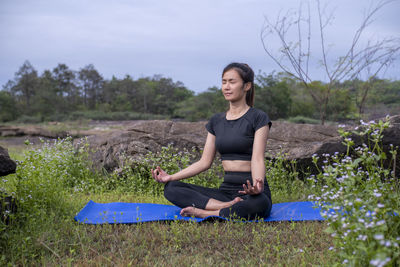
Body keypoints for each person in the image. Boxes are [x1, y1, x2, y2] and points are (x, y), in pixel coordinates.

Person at [151, 62, 272, 220]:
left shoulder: (258, 117)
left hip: (251, 192)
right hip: (225, 193)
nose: (226, 87)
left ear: (247, 86)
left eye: (232, 82)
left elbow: (257, 158)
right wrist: (171, 177)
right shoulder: (216, 121)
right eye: (224, 82)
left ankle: (206, 213)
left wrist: (257, 185)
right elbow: (204, 162)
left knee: (259, 204)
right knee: (172, 188)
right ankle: (225, 207)